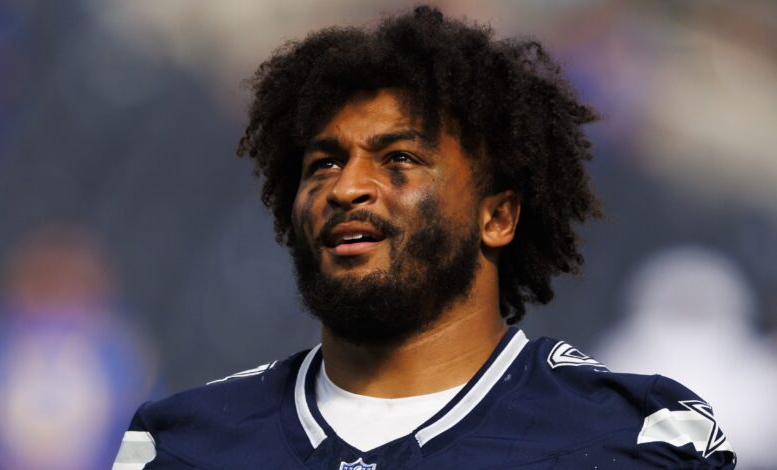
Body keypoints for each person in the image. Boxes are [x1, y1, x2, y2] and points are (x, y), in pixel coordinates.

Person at [114, 6, 735, 469]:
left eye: (400, 160)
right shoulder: (179, 443)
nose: (346, 188)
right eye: (324, 163)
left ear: (499, 217)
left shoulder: (639, 439)